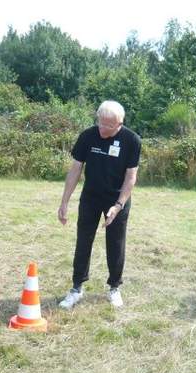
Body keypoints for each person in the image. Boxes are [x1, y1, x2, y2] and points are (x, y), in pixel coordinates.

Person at [57, 100, 141, 309]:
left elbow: (131, 177)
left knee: (116, 243)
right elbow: (75, 169)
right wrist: (64, 201)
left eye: (108, 126)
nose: (102, 129)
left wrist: (118, 205)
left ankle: (114, 287)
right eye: (100, 123)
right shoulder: (88, 136)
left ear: (119, 124)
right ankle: (77, 288)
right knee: (83, 240)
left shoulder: (132, 140)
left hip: (117, 198)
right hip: (91, 197)